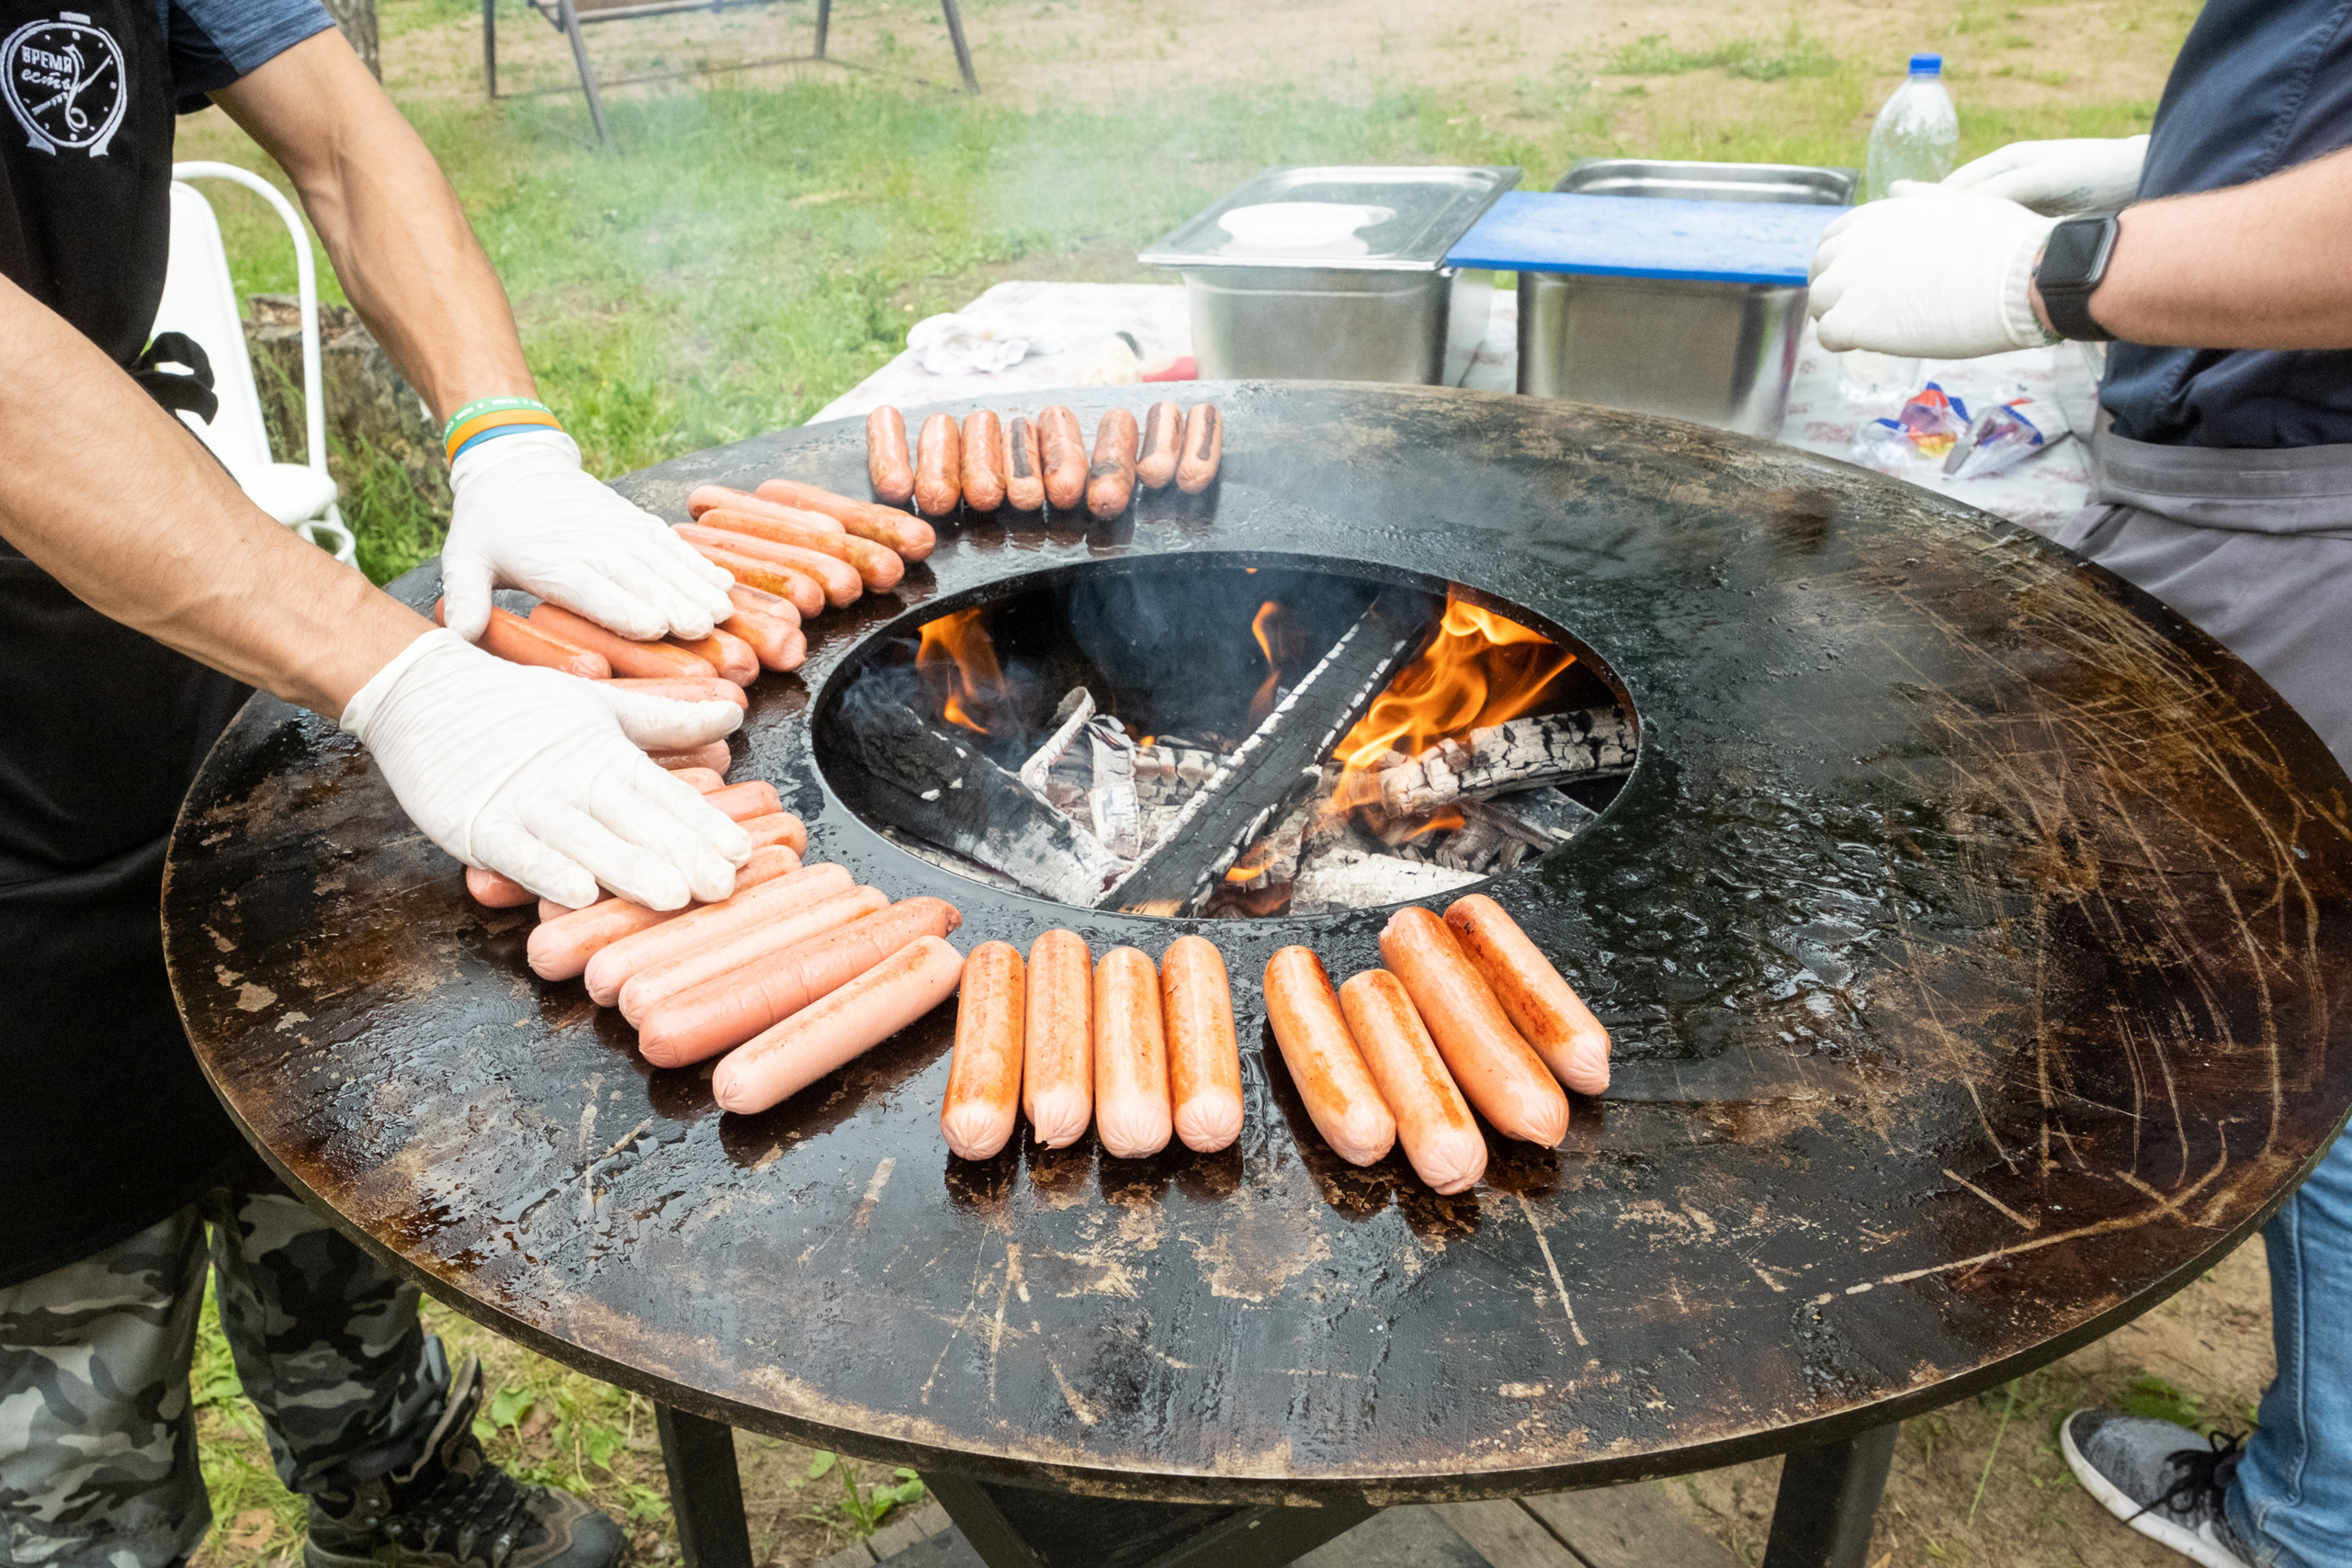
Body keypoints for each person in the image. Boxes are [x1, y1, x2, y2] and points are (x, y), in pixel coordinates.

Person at [0, 2, 760, 1565]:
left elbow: (341, 136)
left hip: (175, 587)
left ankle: (390, 1473)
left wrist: (506, 436)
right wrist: (398, 670)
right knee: (47, 1206)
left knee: (295, 1069)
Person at [1807, 5, 2352, 1565]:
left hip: (2304, 495)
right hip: (2284, 456)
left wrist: (2059, 272)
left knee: (2267, 1008)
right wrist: (2174, 170)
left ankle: (2313, 1518)